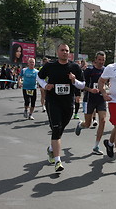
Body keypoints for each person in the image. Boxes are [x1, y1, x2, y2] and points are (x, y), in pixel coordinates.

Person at [37, 43, 84, 172]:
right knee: (56, 128)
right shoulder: (50, 66)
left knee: (60, 128)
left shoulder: (74, 67)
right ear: (57, 52)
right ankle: (58, 161)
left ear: (69, 53)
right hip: (53, 102)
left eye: (67, 51)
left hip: (68, 103)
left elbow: (82, 85)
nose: (65, 52)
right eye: (62, 50)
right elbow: (39, 77)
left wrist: (74, 81)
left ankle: (51, 149)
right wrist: (45, 85)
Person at [74, 51, 107, 155]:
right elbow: (81, 85)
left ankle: (96, 146)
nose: (101, 62)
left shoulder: (106, 70)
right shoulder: (89, 70)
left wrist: (105, 88)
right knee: (88, 124)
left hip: (101, 99)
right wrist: (90, 90)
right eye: (99, 59)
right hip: (90, 99)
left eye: (103, 60)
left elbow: (108, 82)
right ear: (95, 60)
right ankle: (81, 125)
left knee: (103, 120)